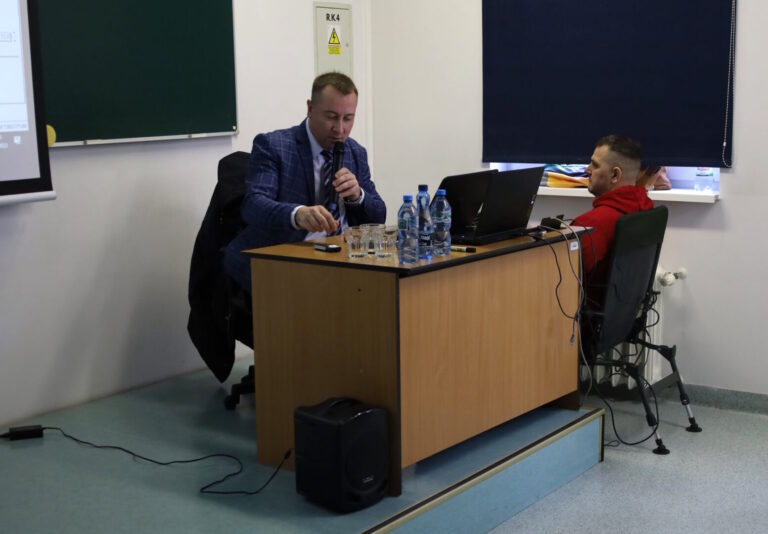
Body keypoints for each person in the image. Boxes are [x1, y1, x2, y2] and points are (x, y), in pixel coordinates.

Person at [224, 72, 386, 292]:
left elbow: (378, 215)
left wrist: (358, 196)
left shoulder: (355, 152)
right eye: (331, 117)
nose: (340, 129)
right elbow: (253, 206)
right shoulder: (274, 146)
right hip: (284, 261)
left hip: (341, 259)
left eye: (348, 118)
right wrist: (297, 215)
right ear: (310, 108)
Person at [573, 135, 654, 281]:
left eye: (595, 165)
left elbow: (566, 279)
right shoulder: (646, 210)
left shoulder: (590, 225)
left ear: (615, 175)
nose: (587, 170)